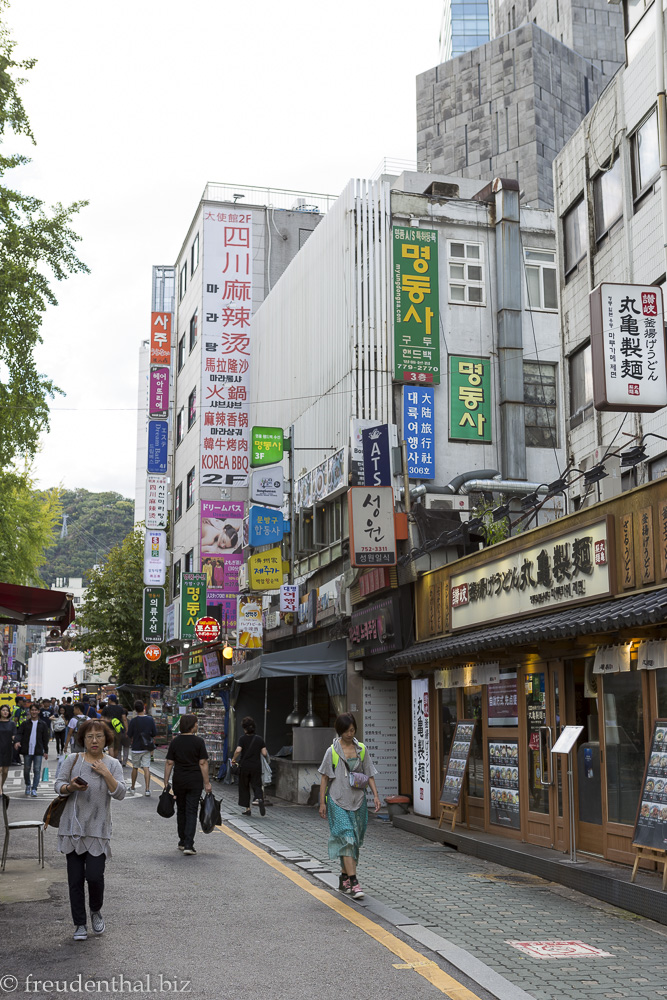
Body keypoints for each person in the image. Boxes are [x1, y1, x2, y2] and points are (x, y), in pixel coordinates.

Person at [54, 718, 126, 941]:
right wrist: (70, 787)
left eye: (99, 736)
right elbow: (58, 785)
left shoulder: (112, 764)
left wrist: (105, 773)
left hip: (98, 830)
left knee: (94, 877)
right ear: (83, 739)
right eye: (89, 736)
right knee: (75, 880)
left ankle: (95, 910)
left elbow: (120, 793)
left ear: (106, 739)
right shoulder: (73, 760)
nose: (94, 740)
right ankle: (79, 924)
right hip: (72, 829)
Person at [318, 713, 381, 901]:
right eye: (346, 730)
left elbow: (369, 774)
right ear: (340, 731)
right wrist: (322, 802)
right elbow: (324, 777)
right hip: (337, 800)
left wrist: (376, 796)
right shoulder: (332, 751)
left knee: (355, 841)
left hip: (358, 801)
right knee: (347, 838)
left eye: (352, 730)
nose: (349, 733)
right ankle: (354, 882)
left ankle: (344, 876)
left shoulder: (361, 749)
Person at [163, 714, 211, 856]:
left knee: (181, 810)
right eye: (196, 724)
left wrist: (166, 782)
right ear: (191, 725)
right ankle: (189, 844)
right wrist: (207, 782)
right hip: (195, 781)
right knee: (191, 811)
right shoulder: (199, 742)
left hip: (179, 780)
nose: (197, 726)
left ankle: (182, 841)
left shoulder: (175, 742)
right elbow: (202, 763)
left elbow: (169, 762)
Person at [232, 716, 269, 818]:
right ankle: (260, 798)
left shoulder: (242, 739)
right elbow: (264, 753)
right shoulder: (259, 739)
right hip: (256, 766)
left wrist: (234, 759)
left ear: (244, 728)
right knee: (257, 784)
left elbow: (238, 750)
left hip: (245, 766)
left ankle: (247, 809)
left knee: (244, 786)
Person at [14, 703, 50, 796]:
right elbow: (19, 733)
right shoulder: (25, 723)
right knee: (26, 769)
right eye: (32, 710)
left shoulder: (43, 724)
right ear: (29, 711)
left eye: (35, 710)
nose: (34, 712)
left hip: (38, 750)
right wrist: (17, 741)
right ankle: (28, 785)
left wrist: (46, 751)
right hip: (27, 750)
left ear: (38, 711)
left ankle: (34, 788)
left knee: (37, 770)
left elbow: (45, 738)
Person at [127, 701, 157, 796]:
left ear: (135, 710)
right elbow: (154, 733)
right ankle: (147, 789)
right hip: (146, 747)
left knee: (135, 767)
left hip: (136, 747)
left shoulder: (133, 721)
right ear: (144, 708)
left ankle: (132, 787)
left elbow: (129, 734)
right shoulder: (150, 719)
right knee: (146, 767)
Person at [102, 695, 127, 761]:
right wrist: (127, 730)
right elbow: (124, 719)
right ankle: (114, 760)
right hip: (118, 730)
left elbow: (102, 719)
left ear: (110, 700)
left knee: (111, 746)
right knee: (116, 747)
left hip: (109, 729)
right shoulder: (120, 708)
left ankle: (111, 761)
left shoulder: (106, 708)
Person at [0, 704, 17, 796]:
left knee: (5, 771)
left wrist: (16, 741)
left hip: (7, 748)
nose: (5, 712)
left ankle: (1, 786)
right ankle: (0, 791)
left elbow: (14, 735)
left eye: (7, 710)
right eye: (3, 710)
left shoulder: (12, 723)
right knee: (0, 769)